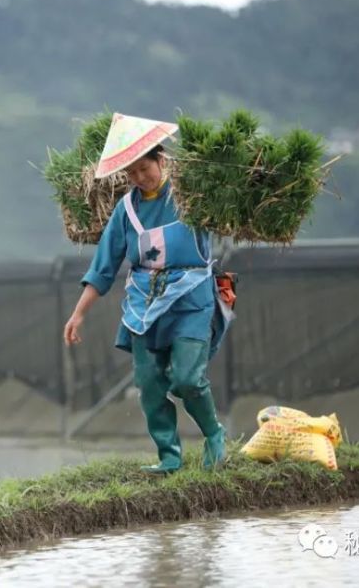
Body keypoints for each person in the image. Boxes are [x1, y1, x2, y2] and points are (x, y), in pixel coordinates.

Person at [63, 113, 232, 474]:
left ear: (162, 160)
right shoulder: (126, 211)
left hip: (191, 298)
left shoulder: (192, 197)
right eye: (132, 173)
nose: (140, 178)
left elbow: (230, 208)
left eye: (145, 168)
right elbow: (103, 267)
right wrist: (78, 314)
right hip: (145, 304)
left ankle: (215, 435)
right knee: (149, 383)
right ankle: (169, 456)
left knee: (187, 378)